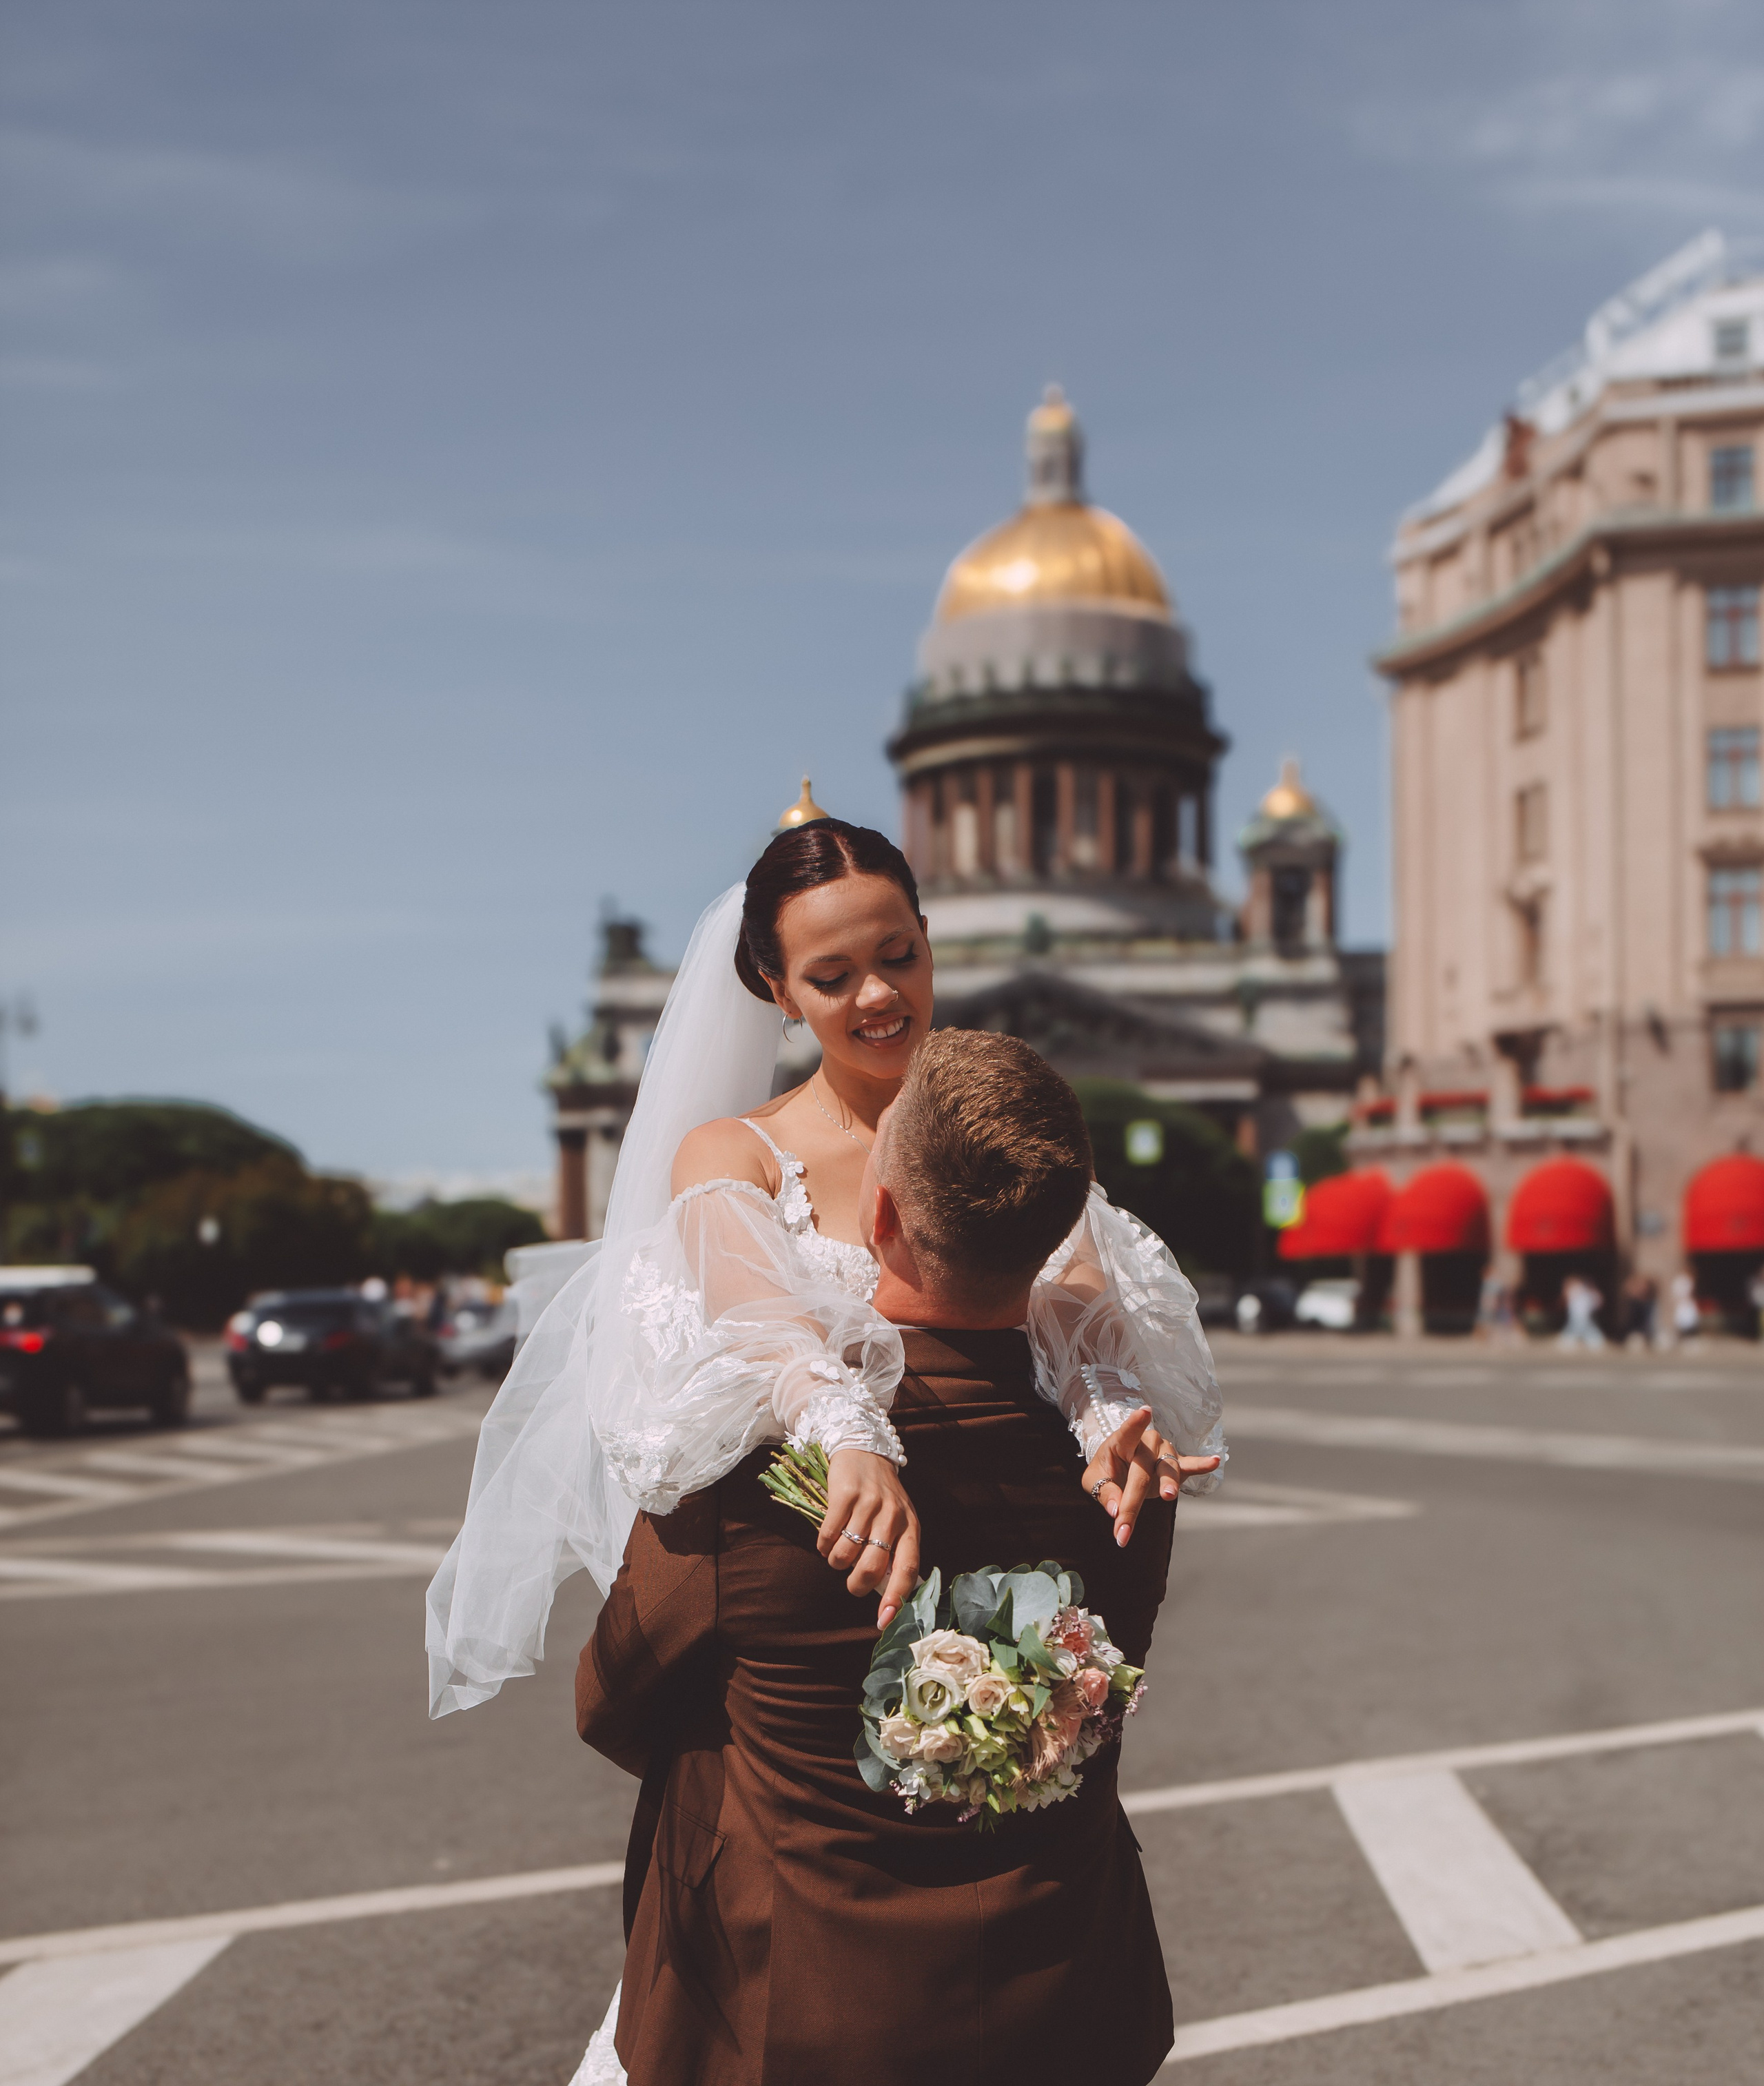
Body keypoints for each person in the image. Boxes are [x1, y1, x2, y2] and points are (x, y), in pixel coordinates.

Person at [426, 819, 1223, 1717]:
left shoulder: (1000, 1117)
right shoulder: (736, 1151)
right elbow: (751, 1307)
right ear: (781, 993)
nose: (880, 995)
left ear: (929, 941)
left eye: (901, 955)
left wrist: (1105, 1400)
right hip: (827, 1570)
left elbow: (1077, 1272)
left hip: (1013, 1540)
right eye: (833, 978)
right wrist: (844, 1425)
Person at [572, 1031, 1208, 2086]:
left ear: (877, 1219)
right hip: (1067, 2006)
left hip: (804, 2007)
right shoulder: (1131, 1463)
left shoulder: (757, 1469)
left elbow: (614, 1695)